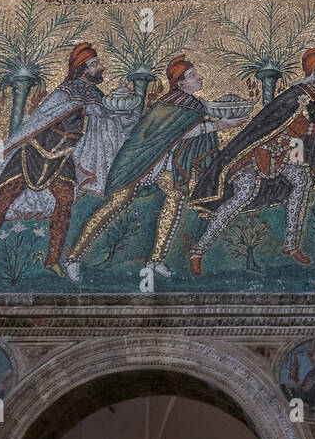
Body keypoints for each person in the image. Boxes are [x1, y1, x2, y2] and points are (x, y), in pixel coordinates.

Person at [0, 43, 138, 284]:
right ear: (82, 69)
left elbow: (106, 125)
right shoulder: (64, 93)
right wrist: (83, 109)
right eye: (94, 64)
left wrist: (124, 118)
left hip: (64, 157)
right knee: (2, 202)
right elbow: (44, 119)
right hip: (33, 153)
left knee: (64, 203)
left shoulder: (99, 97)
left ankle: (52, 260)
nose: (100, 68)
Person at [65, 56, 243, 282]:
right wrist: (218, 125)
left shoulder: (194, 106)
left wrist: (218, 124)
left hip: (165, 165)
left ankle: (156, 260)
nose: (200, 78)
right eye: (193, 76)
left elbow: (190, 135)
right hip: (138, 162)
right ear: (180, 83)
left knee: (176, 196)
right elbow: (175, 133)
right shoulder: (169, 104)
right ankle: (74, 257)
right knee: (117, 203)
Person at [189, 49, 315, 270]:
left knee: (302, 181)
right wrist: (312, 128)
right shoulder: (300, 93)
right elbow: (285, 123)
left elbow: (309, 128)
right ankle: (198, 251)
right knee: (243, 193)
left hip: (284, 154)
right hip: (256, 154)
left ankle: (291, 244)